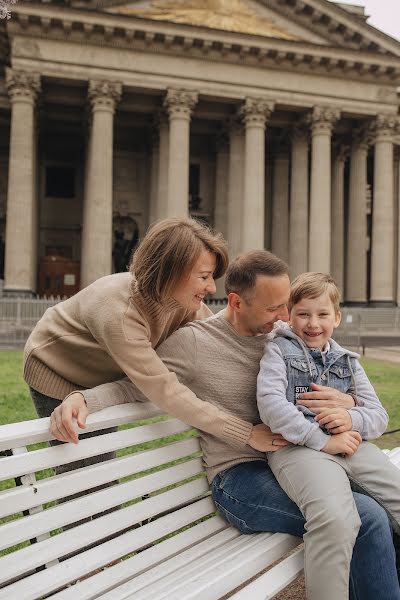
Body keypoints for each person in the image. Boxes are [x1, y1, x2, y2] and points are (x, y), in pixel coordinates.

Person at [51, 251, 400, 600]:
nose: (284, 318)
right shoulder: (196, 344)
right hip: (240, 478)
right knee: (364, 516)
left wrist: (350, 404)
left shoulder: (282, 337)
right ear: (236, 302)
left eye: (285, 306)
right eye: (273, 308)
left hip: (297, 459)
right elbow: (139, 383)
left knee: (379, 504)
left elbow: (331, 379)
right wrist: (84, 399)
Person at [25, 218, 276, 495]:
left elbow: (220, 339)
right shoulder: (119, 313)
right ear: (171, 271)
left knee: (102, 469)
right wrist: (245, 433)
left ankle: (109, 532)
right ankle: (90, 535)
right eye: (204, 276)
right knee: (83, 473)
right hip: (58, 370)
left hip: (107, 376)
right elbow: (165, 390)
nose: (212, 288)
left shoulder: (183, 302)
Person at [257, 271, 400, 598]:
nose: (313, 323)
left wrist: (350, 416)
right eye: (303, 314)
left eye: (322, 314)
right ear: (289, 316)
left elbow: (378, 416)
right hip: (297, 448)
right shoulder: (278, 352)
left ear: (337, 317)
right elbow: (272, 406)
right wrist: (321, 439)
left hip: (350, 445)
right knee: (336, 519)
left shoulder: (347, 362)